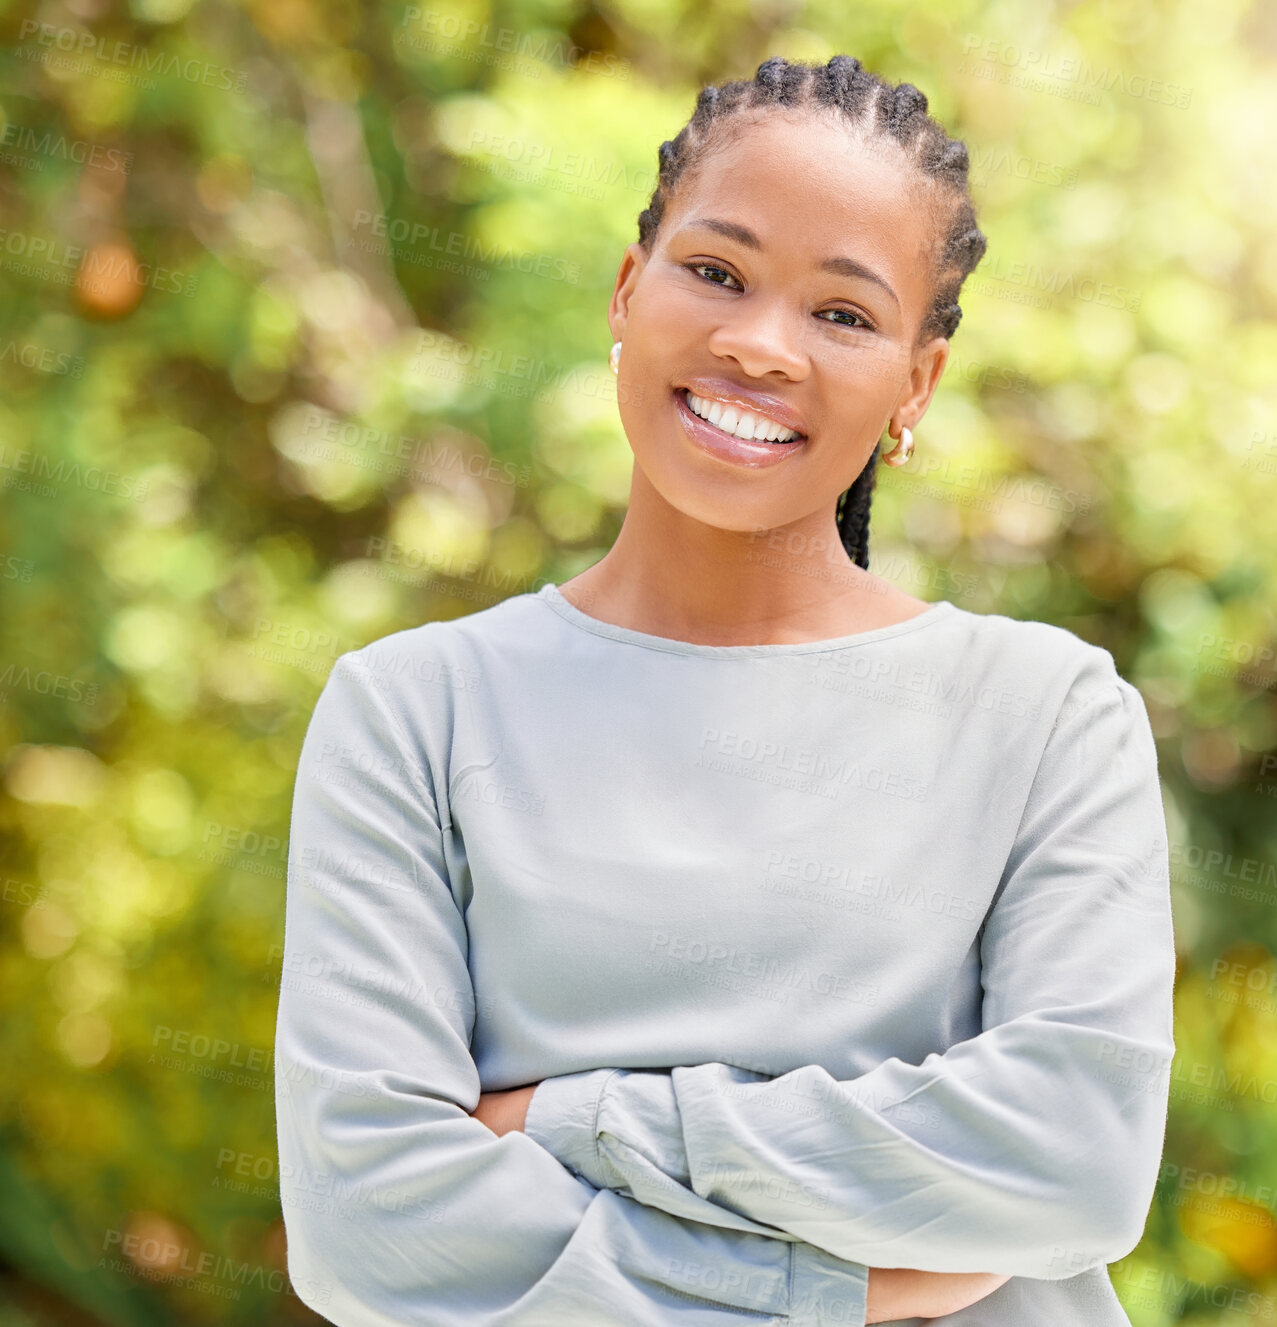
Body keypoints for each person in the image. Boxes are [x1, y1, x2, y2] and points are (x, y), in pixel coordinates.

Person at [274, 53, 1177, 1325]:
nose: (760, 345)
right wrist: (847, 1281)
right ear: (629, 292)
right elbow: (369, 1226)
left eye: (845, 314)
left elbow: (1073, 1159)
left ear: (914, 386)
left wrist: (577, 1120)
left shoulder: (1047, 715)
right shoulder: (413, 712)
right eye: (716, 273)